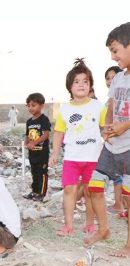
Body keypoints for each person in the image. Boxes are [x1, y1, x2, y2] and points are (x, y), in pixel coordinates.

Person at [49, 59, 107, 237]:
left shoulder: (99, 106)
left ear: (90, 85)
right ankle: (68, 225)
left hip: (93, 158)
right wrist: (55, 153)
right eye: (76, 81)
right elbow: (58, 133)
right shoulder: (65, 109)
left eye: (85, 81)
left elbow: (106, 129)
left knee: (91, 192)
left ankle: (90, 223)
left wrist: (104, 144)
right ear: (69, 86)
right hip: (72, 158)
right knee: (69, 189)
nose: (81, 85)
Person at [86, 22, 130, 254]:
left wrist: (126, 125)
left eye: (115, 50)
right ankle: (104, 229)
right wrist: (108, 127)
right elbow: (111, 106)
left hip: (129, 148)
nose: (113, 57)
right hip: (112, 146)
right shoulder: (119, 79)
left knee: (128, 198)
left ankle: (129, 244)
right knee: (94, 186)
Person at [104, 65, 127, 217]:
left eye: (113, 77)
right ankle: (122, 206)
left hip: (125, 144)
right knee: (120, 177)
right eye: (107, 78)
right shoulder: (110, 101)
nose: (110, 81)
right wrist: (106, 131)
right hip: (115, 143)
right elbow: (109, 115)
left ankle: (120, 205)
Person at [22, 93, 51, 202]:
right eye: (28, 105)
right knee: (34, 172)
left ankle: (42, 194)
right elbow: (27, 135)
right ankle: (34, 191)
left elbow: (46, 134)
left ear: (41, 106)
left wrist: (34, 143)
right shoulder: (29, 122)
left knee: (42, 172)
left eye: (33, 105)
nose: (30, 108)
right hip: (32, 153)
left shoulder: (44, 119)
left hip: (42, 152)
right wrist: (27, 144)